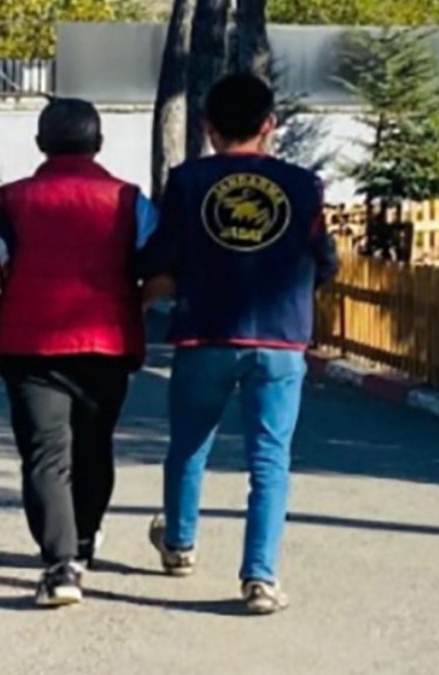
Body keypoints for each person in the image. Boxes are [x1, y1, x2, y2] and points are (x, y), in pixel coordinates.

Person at [139, 73, 339, 614]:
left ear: (208, 127)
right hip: (280, 338)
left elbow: (162, 254)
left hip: (204, 330)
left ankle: (179, 543)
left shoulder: (188, 181)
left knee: (189, 445)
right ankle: (260, 577)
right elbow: (324, 259)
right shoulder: (303, 186)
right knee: (269, 459)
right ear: (269, 124)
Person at [0, 97, 152, 607]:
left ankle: (59, 566)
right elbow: (158, 263)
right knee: (94, 446)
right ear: (99, 143)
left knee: (45, 452)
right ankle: (84, 540)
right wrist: (132, 303)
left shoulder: (9, 199)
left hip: (28, 343)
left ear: (40, 144)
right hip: (106, 341)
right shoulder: (128, 199)